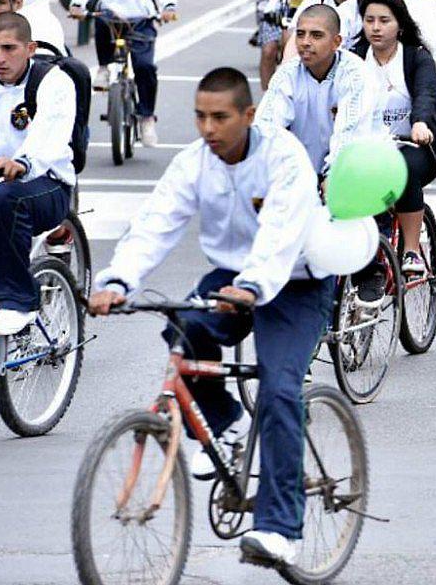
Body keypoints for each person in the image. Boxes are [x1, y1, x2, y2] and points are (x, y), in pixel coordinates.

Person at [88, 67, 332, 567]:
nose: (208, 129)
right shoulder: (194, 163)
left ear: (248, 115)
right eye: (200, 116)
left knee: (280, 389)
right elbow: (155, 223)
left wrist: (253, 286)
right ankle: (226, 422)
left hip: (296, 278)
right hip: (232, 276)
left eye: (220, 117)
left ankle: (281, 528)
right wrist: (117, 281)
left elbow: (282, 230)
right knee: (183, 328)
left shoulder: (285, 157)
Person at [0, 11, 76, 339]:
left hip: (45, 185)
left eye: (9, 48)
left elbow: (51, 137)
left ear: (30, 48)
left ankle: (16, 299)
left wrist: (22, 162)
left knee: (6, 197)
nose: (0, 58)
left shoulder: (53, 82)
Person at [351, 0, 436, 275]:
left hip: (415, 146)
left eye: (384, 20)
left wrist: (420, 123)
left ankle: (410, 251)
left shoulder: (417, 58)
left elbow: (425, 94)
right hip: (368, 149)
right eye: (369, 20)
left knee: (403, 169)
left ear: (400, 25)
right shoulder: (353, 58)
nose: (376, 27)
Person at [69, 0, 179, 147]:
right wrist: (78, 4)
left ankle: (147, 116)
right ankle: (103, 67)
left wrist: (168, 6)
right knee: (100, 20)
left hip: (142, 18)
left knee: (145, 67)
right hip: (110, 16)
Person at [256, 4, 375, 175]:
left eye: (316, 35)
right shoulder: (287, 74)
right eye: (300, 34)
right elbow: (266, 127)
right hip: (299, 173)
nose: (305, 42)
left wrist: (331, 174)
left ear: (337, 42)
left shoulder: (355, 74)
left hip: (351, 171)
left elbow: (349, 135)